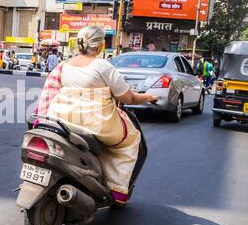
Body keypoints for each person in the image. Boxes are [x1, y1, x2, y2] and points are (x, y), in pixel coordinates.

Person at [35, 26, 158, 205]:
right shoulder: (102, 66)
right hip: (94, 124)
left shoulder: (65, 65)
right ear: (100, 46)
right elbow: (128, 97)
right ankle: (116, 189)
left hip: (60, 119)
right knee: (131, 139)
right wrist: (149, 96)